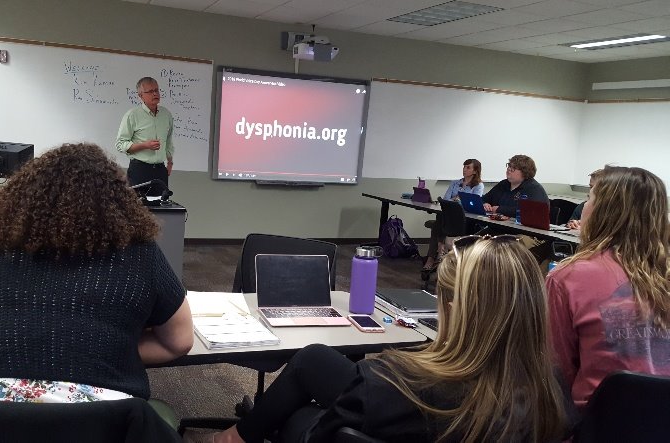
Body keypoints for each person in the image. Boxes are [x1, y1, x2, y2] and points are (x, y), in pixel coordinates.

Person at [209, 236, 568, 443]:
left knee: (300, 411)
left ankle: (236, 437)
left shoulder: (392, 380)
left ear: (456, 308)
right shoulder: (555, 395)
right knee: (313, 358)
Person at [0, 143, 193, 403]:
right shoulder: (139, 252)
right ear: (117, 201)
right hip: (105, 424)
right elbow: (178, 341)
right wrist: (103, 350)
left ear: (24, 193)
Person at [547, 166, 670, 409]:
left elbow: (556, 372)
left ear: (603, 210)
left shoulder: (567, 278)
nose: (584, 206)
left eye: (589, 197)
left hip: (596, 422)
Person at [116, 76, 174, 196]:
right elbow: (120, 144)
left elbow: (168, 140)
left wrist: (170, 162)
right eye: (150, 91)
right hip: (139, 170)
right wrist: (144, 145)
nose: (155, 94)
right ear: (141, 96)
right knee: (137, 210)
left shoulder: (166, 114)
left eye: (156, 90)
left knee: (161, 210)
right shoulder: (132, 115)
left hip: (160, 170)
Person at [423, 158, 484, 270]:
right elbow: (446, 199)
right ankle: (435, 255)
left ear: (475, 171)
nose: (464, 169)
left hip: (464, 219)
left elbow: (473, 203)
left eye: (468, 167)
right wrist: (458, 200)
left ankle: (436, 254)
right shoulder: (455, 183)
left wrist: (456, 199)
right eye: (464, 167)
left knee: (438, 224)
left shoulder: (478, 186)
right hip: (449, 215)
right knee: (440, 218)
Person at [482, 154, 548, 217]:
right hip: (497, 224)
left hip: (521, 227)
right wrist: (485, 204)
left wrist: (499, 209)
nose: (509, 169)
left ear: (524, 172)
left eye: (514, 168)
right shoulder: (503, 184)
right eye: (509, 166)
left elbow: (531, 211)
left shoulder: (534, 189)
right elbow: (484, 199)